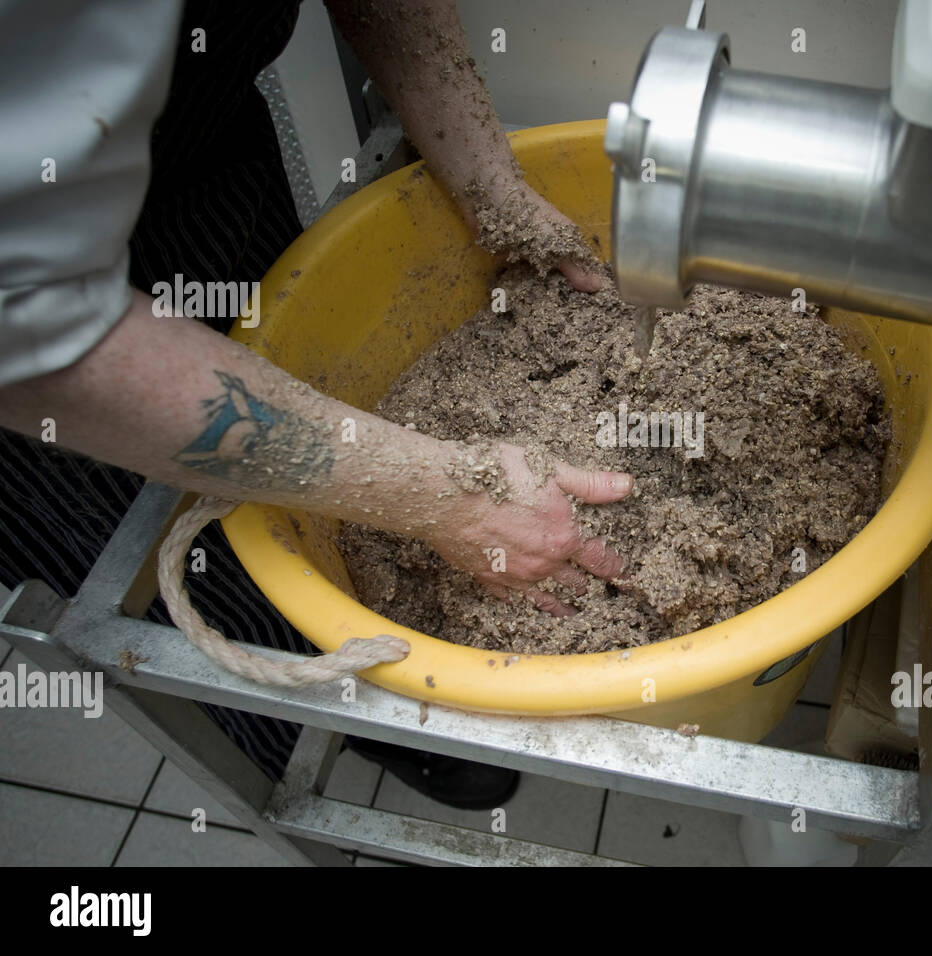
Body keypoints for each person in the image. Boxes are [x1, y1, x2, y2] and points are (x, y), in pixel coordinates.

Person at [0, 0, 633, 807]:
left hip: (200, 166)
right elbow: (38, 341)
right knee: (228, 589)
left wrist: (491, 189)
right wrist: (454, 498)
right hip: (38, 386)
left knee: (290, 349)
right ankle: (359, 719)